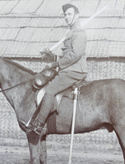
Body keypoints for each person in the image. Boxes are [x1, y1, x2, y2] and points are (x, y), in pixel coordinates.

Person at [29, 3, 88, 135]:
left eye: (70, 14)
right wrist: (52, 57)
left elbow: (75, 55)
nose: (67, 17)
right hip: (69, 69)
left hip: (75, 71)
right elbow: (67, 55)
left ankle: (39, 125)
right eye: (65, 15)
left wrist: (55, 65)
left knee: (50, 90)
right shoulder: (71, 32)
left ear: (77, 16)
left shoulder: (79, 33)